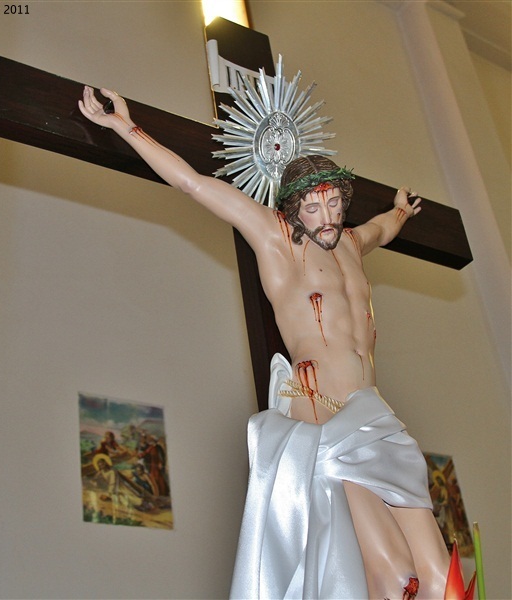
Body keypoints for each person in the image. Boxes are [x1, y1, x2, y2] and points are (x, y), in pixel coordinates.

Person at [78, 87, 450, 599]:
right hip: (327, 419)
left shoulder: (350, 242)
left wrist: (401, 212)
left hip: (378, 419)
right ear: (294, 208)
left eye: (334, 203)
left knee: (441, 579)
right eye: (313, 207)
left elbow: (382, 229)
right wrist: (125, 126)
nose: (327, 216)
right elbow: (192, 183)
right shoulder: (274, 237)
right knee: (396, 579)